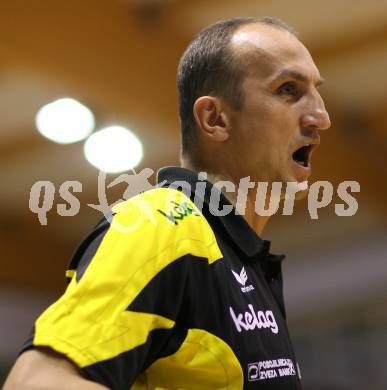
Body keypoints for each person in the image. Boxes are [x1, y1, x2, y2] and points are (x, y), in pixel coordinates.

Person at [4, 16, 330, 389]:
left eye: (317, 92)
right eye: (288, 89)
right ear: (215, 119)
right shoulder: (159, 224)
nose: (321, 117)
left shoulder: (237, 259)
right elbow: (34, 382)